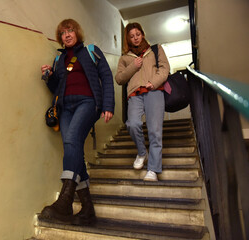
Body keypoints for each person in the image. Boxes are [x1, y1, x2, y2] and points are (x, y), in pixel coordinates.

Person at [39, 19, 115, 225]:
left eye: (70, 30)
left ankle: (65, 201)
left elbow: (106, 77)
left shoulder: (91, 51)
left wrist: (108, 105)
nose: (67, 35)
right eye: (63, 33)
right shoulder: (59, 60)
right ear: (60, 38)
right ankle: (88, 209)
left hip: (87, 103)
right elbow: (56, 87)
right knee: (72, 149)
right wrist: (48, 76)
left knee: (72, 141)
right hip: (65, 108)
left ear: (77, 33)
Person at [115, 22, 169, 181]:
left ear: (142, 34)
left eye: (137, 34)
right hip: (134, 94)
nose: (135, 38)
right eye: (132, 36)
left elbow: (165, 69)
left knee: (155, 131)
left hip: (154, 91)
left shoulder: (155, 49)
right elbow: (119, 79)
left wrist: (155, 82)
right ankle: (142, 152)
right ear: (128, 39)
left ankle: (153, 169)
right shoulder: (124, 58)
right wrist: (133, 66)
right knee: (132, 124)